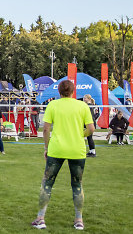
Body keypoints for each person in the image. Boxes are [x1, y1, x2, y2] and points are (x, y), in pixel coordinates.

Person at [31, 80, 95, 230]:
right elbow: (91, 129)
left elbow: (46, 129)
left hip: (56, 149)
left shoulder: (52, 105)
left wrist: (46, 147)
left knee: (47, 183)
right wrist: (81, 134)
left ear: (58, 91)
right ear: (73, 91)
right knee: (77, 185)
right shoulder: (82, 106)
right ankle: (79, 220)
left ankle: (40, 218)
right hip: (76, 150)